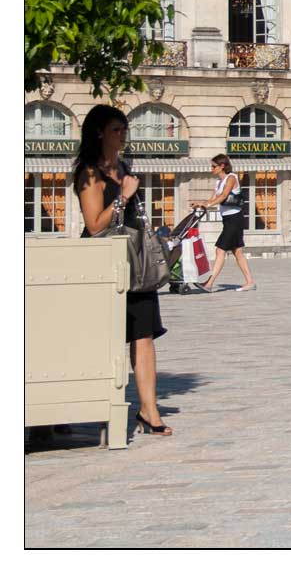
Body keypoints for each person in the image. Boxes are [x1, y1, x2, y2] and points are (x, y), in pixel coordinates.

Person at [73, 104, 172, 436]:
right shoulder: (89, 173)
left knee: (144, 337)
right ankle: (82, 408)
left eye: (124, 129)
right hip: (104, 263)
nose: (123, 134)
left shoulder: (124, 168)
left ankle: (150, 410)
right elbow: (94, 225)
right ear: (100, 132)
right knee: (101, 340)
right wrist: (124, 197)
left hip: (136, 262)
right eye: (117, 129)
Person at [195, 154, 255, 291]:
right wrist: (200, 203)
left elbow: (223, 196)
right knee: (237, 251)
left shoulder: (231, 178)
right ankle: (250, 282)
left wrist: (208, 204)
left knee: (220, 250)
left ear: (222, 166)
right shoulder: (218, 182)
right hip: (227, 219)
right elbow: (212, 199)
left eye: (214, 166)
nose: (212, 169)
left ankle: (209, 283)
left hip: (235, 219)